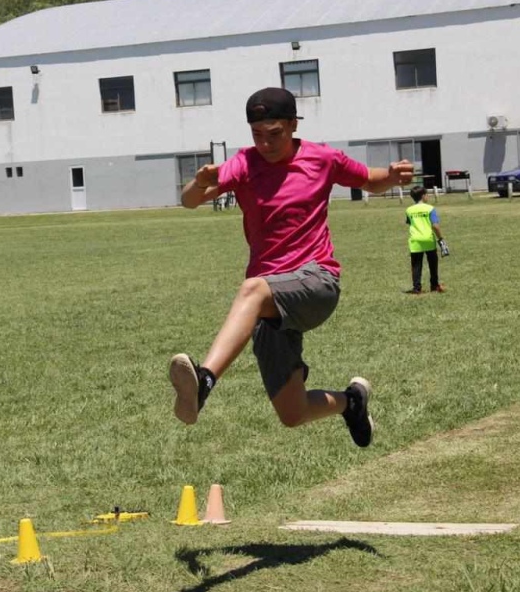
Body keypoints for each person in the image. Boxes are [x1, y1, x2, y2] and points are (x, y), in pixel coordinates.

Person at [169, 87, 413, 447]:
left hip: (316, 281)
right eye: (257, 134)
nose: (265, 143)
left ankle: (204, 383)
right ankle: (352, 402)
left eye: (275, 134)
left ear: (293, 125)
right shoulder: (244, 163)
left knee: (252, 288)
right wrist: (200, 182)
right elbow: (189, 201)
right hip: (269, 304)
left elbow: (368, 179)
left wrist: (391, 176)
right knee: (292, 413)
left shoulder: (322, 158)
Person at [405, 186, 447, 294]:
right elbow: (435, 226)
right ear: (423, 196)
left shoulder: (409, 210)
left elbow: (410, 223)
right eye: (427, 194)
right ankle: (434, 285)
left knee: (416, 266)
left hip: (415, 241)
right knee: (433, 264)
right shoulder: (430, 208)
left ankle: (416, 288)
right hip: (428, 240)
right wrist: (441, 239)